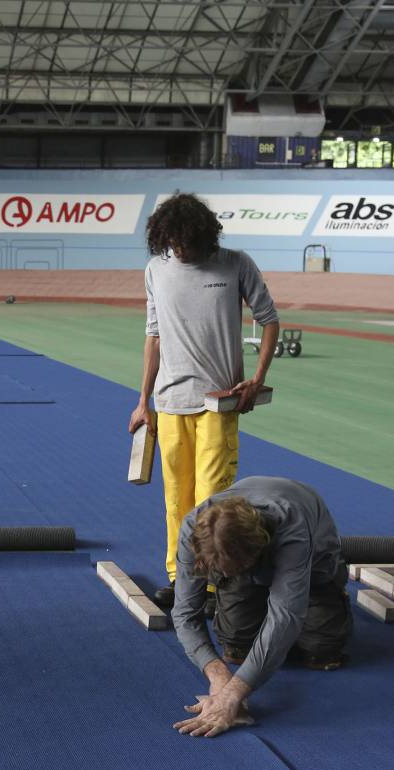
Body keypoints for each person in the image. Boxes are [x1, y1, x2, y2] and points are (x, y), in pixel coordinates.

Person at [129, 192, 280, 608]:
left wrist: (257, 379)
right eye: (173, 243)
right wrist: (143, 400)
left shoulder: (235, 263)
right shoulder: (156, 269)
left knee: (212, 499)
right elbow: (154, 335)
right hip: (170, 402)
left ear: (204, 235)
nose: (181, 250)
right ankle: (181, 580)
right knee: (176, 498)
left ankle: (214, 583)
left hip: (218, 404)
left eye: (188, 242)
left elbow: (269, 320)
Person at [169, 476, 352, 738]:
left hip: (315, 566)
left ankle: (334, 592)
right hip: (246, 564)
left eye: (232, 569)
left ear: (256, 554)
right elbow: (185, 612)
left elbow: (286, 616)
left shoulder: (291, 528)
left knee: (323, 649)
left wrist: (233, 694)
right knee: (235, 647)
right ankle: (247, 592)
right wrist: (217, 673)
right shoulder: (193, 529)